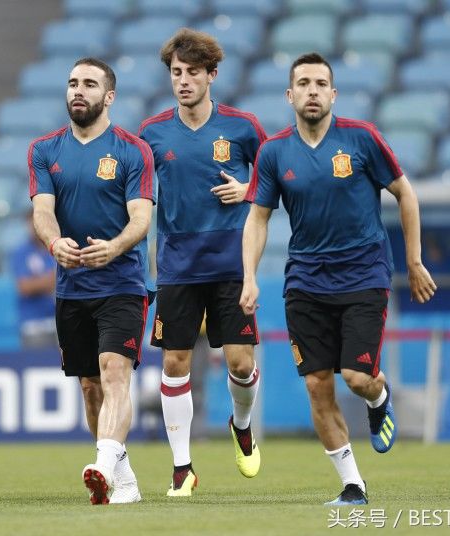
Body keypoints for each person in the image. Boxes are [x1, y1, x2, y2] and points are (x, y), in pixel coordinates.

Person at [241, 52, 437, 505]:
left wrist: (414, 261)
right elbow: (258, 219)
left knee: (356, 376)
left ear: (333, 94)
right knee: (316, 384)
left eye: (320, 84)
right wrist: (248, 276)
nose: (312, 91)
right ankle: (353, 486)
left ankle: (378, 396)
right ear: (289, 95)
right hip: (305, 281)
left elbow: (405, 193)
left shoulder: (362, 138)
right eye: (303, 83)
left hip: (364, 275)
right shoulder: (274, 152)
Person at [137, 28, 266, 496]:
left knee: (240, 363)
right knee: (175, 361)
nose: (184, 81)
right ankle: (182, 467)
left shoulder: (243, 127)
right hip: (177, 265)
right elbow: (136, 196)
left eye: (193, 72)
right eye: (177, 73)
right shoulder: (151, 133)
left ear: (212, 75)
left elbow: (277, 181)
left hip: (232, 262)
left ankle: (242, 425)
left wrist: (247, 190)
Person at [28, 57, 154, 505]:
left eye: (89, 84)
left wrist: (114, 247)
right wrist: (53, 242)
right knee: (89, 386)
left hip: (123, 283)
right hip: (72, 286)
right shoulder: (44, 149)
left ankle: (101, 465)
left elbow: (141, 218)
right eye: (72, 83)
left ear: (109, 96)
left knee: (114, 372)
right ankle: (125, 480)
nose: (78, 90)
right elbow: (43, 210)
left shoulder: (133, 150)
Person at [8, 210, 57, 346]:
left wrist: (44, 281)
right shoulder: (21, 252)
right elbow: (24, 287)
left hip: (60, 321)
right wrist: (54, 279)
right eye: (33, 222)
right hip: (33, 324)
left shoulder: (57, 247)